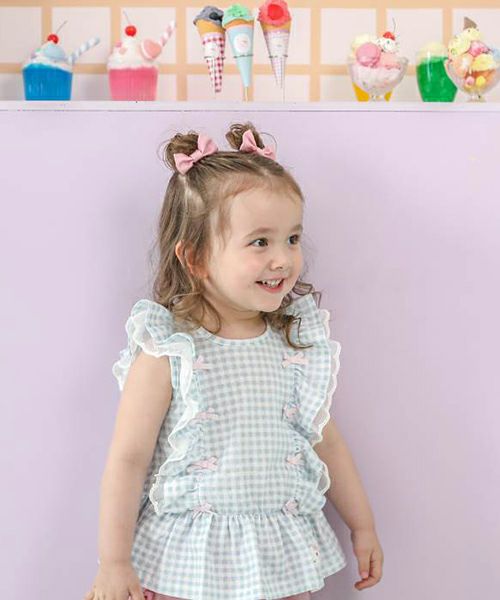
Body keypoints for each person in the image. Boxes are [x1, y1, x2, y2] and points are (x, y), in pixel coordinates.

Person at [84, 122, 383, 600]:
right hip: (188, 563)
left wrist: (362, 525)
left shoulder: (294, 347)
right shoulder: (171, 349)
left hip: (278, 559)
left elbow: (327, 443)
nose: (283, 259)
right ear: (196, 258)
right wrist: (114, 563)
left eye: (292, 238)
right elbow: (128, 459)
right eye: (260, 242)